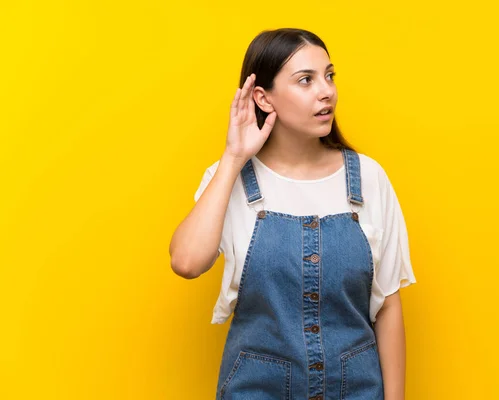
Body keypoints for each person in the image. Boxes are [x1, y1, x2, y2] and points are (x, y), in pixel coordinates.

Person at [169, 28, 417, 400]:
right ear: (263, 99)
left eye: (329, 76)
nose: (326, 91)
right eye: (306, 80)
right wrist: (234, 157)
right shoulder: (229, 178)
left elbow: (387, 307)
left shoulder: (368, 179)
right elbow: (186, 262)